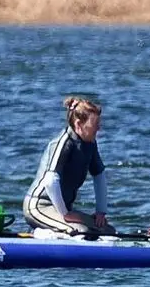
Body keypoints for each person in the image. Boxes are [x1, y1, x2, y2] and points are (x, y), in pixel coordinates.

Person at [24, 96, 114, 236]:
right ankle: (40, 235)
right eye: (95, 124)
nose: (98, 128)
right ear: (79, 124)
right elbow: (50, 181)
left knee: (107, 231)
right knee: (79, 231)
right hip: (39, 206)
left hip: (63, 209)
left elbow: (99, 174)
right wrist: (65, 214)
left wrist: (100, 212)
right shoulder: (64, 143)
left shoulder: (90, 144)